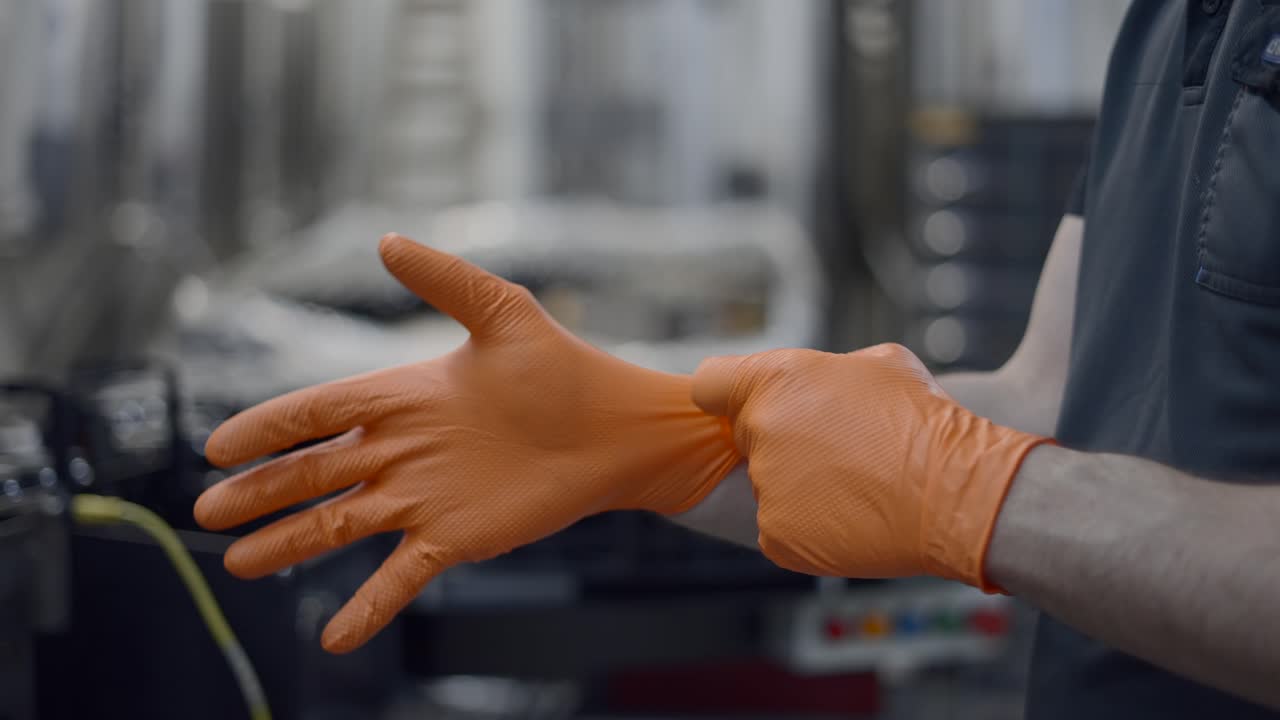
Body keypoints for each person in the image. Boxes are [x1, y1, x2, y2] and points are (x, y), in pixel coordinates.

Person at [194, 1, 1280, 716]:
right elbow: (1044, 401)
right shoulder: (1161, 23)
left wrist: (973, 490)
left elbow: (995, 470)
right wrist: (644, 440)